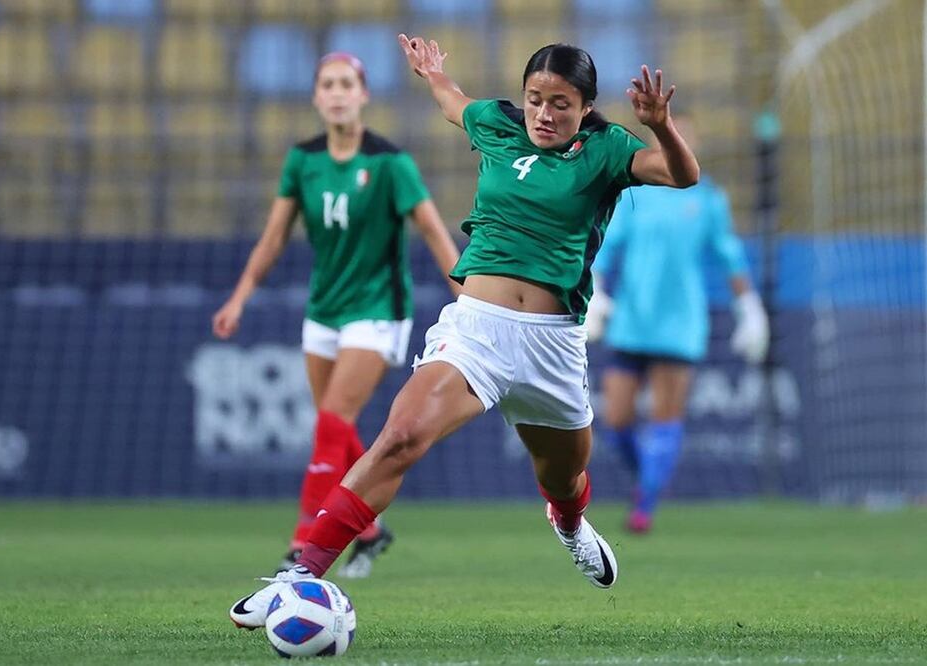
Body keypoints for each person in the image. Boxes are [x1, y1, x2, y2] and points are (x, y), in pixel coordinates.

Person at [229, 34, 700, 629]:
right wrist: (432, 73)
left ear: (585, 107)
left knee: (563, 474)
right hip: (477, 328)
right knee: (400, 437)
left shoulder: (605, 149)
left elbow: (683, 175)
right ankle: (299, 576)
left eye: (560, 103)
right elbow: (454, 101)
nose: (544, 114)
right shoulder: (497, 125)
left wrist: (661, 126)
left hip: (553, 343)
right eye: (535, 99)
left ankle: (569, 522)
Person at [212, 52, 461, 580]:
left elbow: (435, 234)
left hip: (377, 309)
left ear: (363, 93)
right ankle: (369, 530)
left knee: (329, 423)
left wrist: (468, 299)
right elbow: (274, 237)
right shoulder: (302, 160)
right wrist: (239, 297)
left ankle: (302, 545)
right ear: (316, 96)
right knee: (336, 428)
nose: (338, 92)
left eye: (347, 83)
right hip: (324, 309)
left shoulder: (391, 164)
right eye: (328, 84)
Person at [586, 113, 769, 534]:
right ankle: (644, 483)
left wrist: (749, 305)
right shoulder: (637, 193)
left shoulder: (707, 200)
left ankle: (644, 508)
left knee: (666, 419)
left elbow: (730, 257)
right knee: (616, 421)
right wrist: (595, 288)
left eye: (686, 135)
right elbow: (607, 248)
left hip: (679, 324)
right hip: (632, 321)